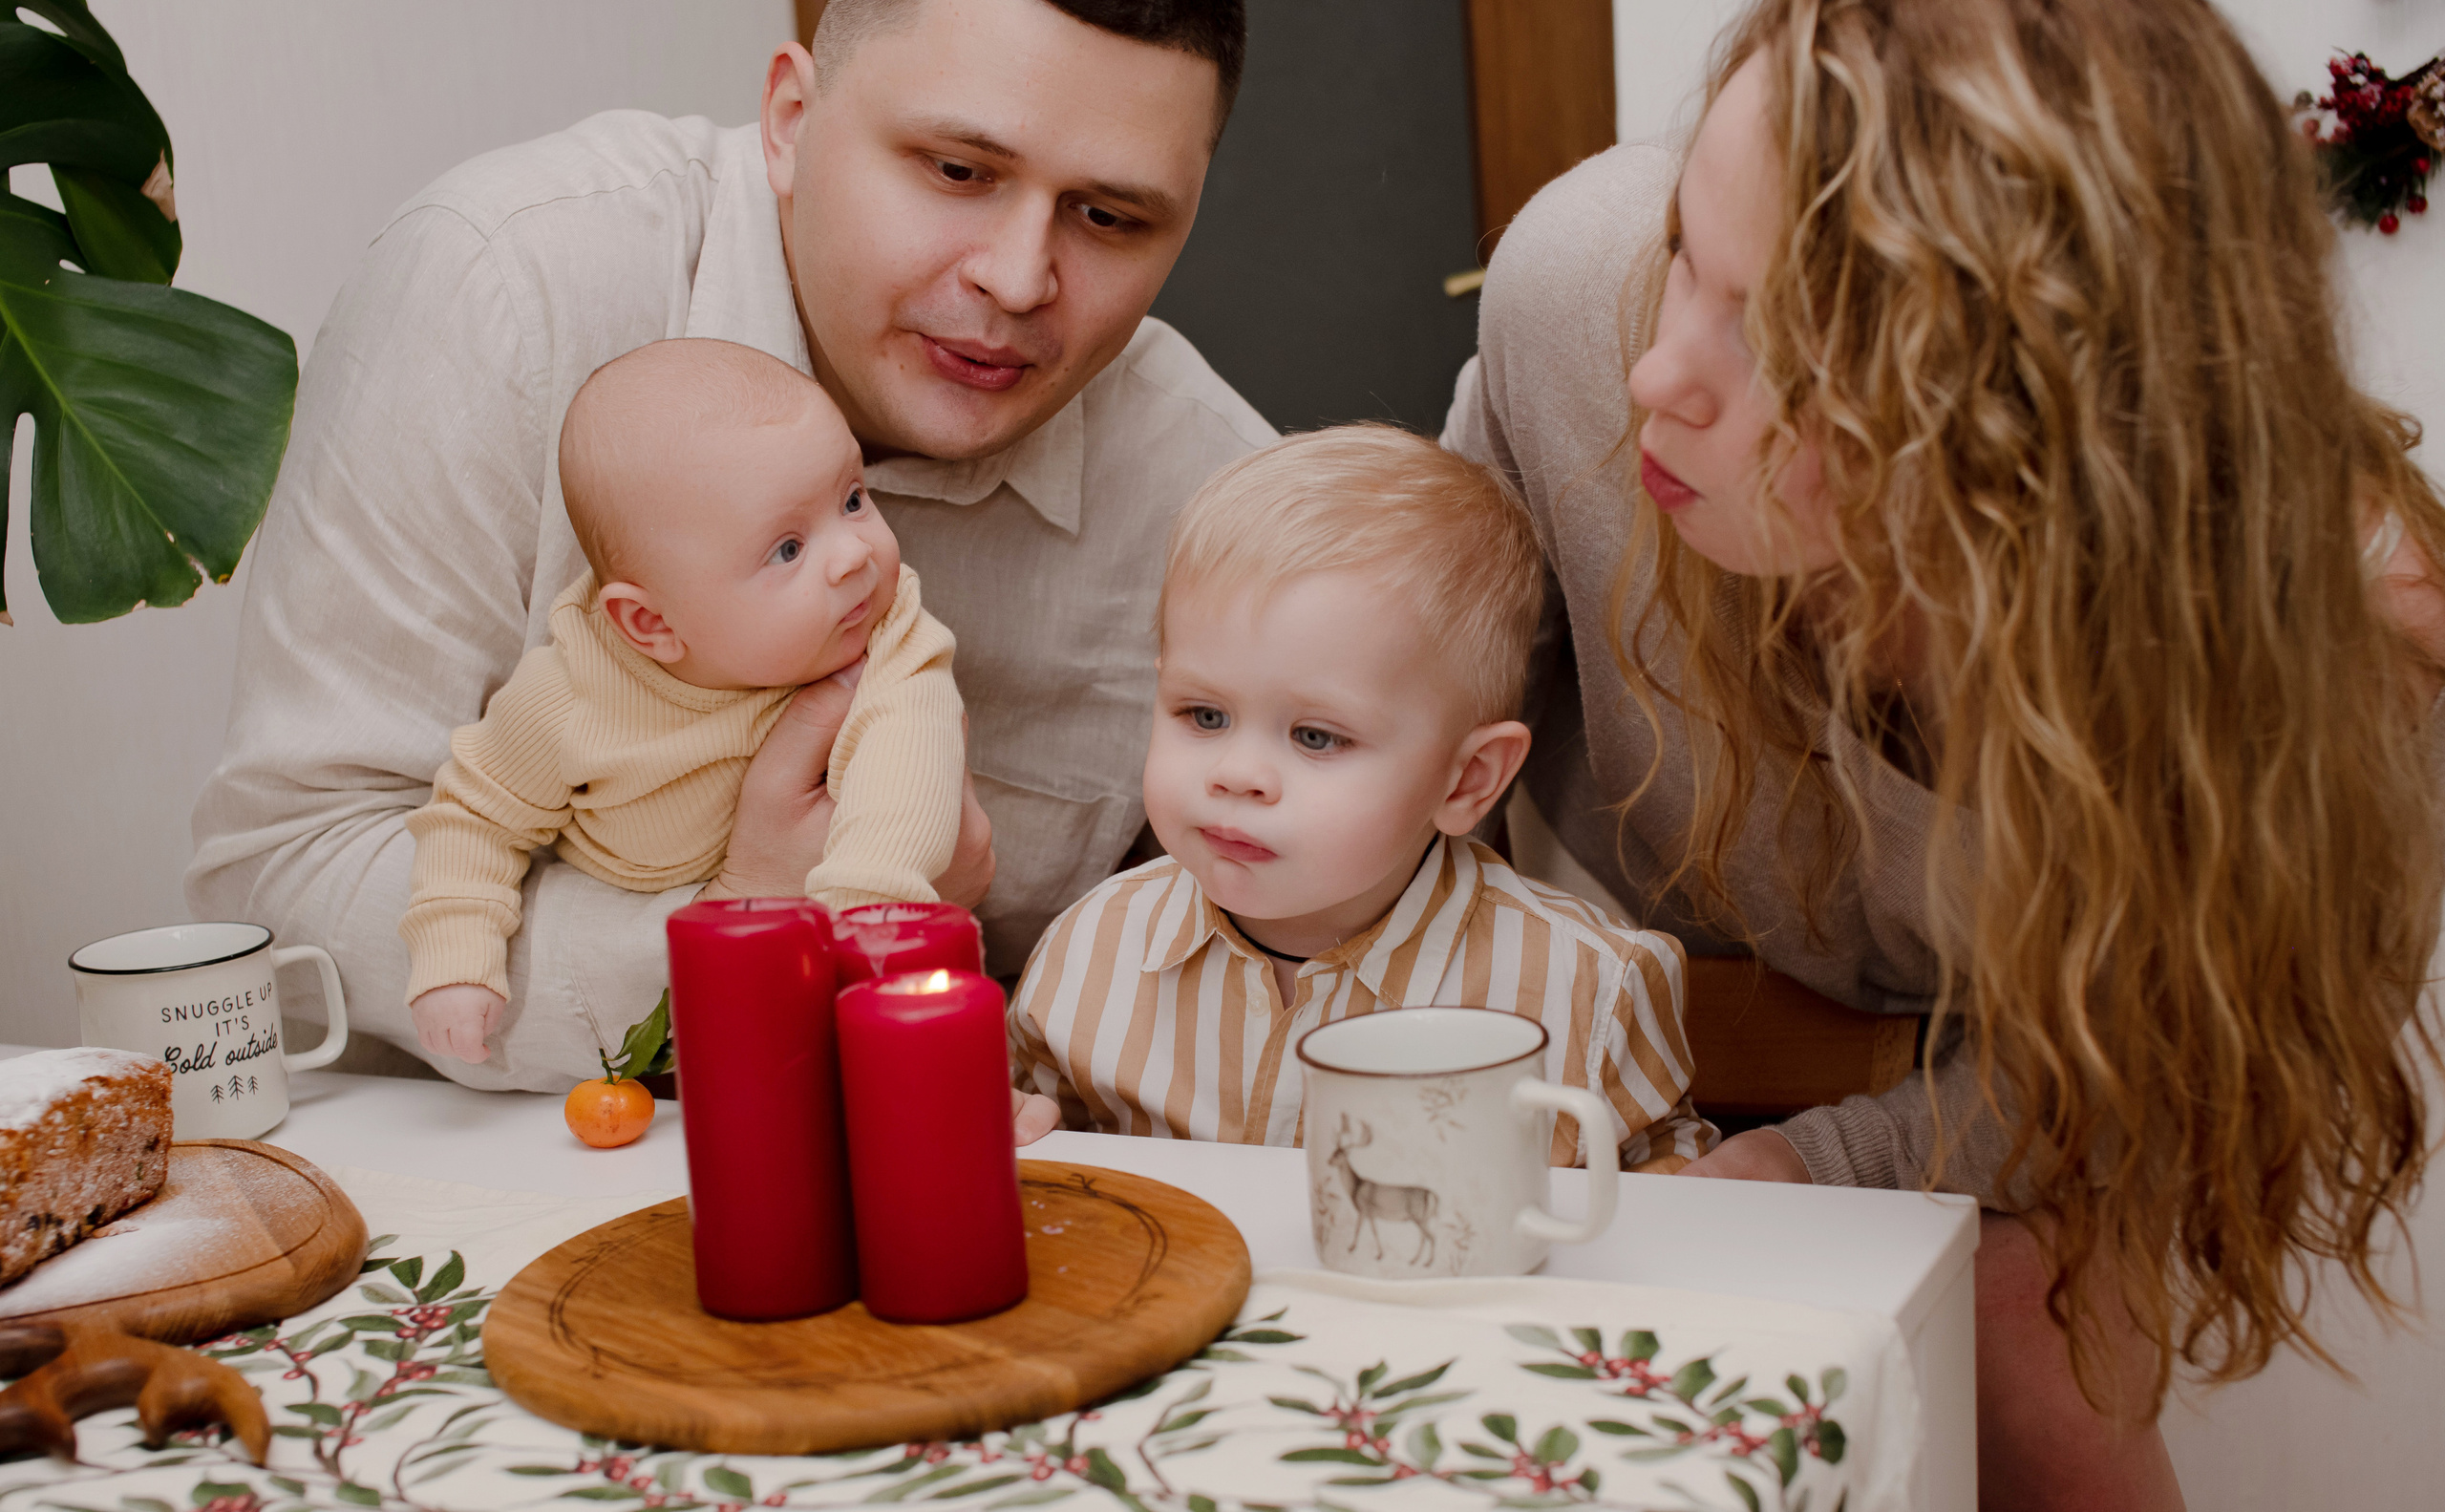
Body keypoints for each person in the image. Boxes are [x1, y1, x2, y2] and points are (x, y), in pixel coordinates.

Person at [1446, 0, 2445, 1505]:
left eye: (1777, 334)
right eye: (1687, 261)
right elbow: (1422, 724)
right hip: (1692, 1004)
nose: (1662, 375)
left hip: (2063, 1051)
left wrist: (1824, 1166)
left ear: (2045, 420)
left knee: (2032, 1354)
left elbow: (2159, 1062)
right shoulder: (1580, 296)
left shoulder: (2343, 657)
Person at [187, 0, 1272, 1089]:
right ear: (792, 118)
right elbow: (279, 888)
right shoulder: (505, 290)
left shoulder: (1212, 495)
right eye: (956, 170)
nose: (1019, 277)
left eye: (1110, 218)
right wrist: (743, 927)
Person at [1008, 425, 1715, 1171]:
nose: (1238, 773)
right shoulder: (1087, 951)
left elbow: (1667, 1211)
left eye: (1316, 737)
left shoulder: (1588, 990)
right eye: (1204, 715)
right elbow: (1041, 1160)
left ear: (1467, 778)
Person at [402, 340, 962, 1065]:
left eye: (853, 499)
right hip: (641, 1009)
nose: (854, 553)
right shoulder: (571, 694)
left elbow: (906, 760)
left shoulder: (887, 629)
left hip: (833, 970)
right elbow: (476, 816)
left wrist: (865, 919)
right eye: (787, 549)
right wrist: (453, 955)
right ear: (652, 624)